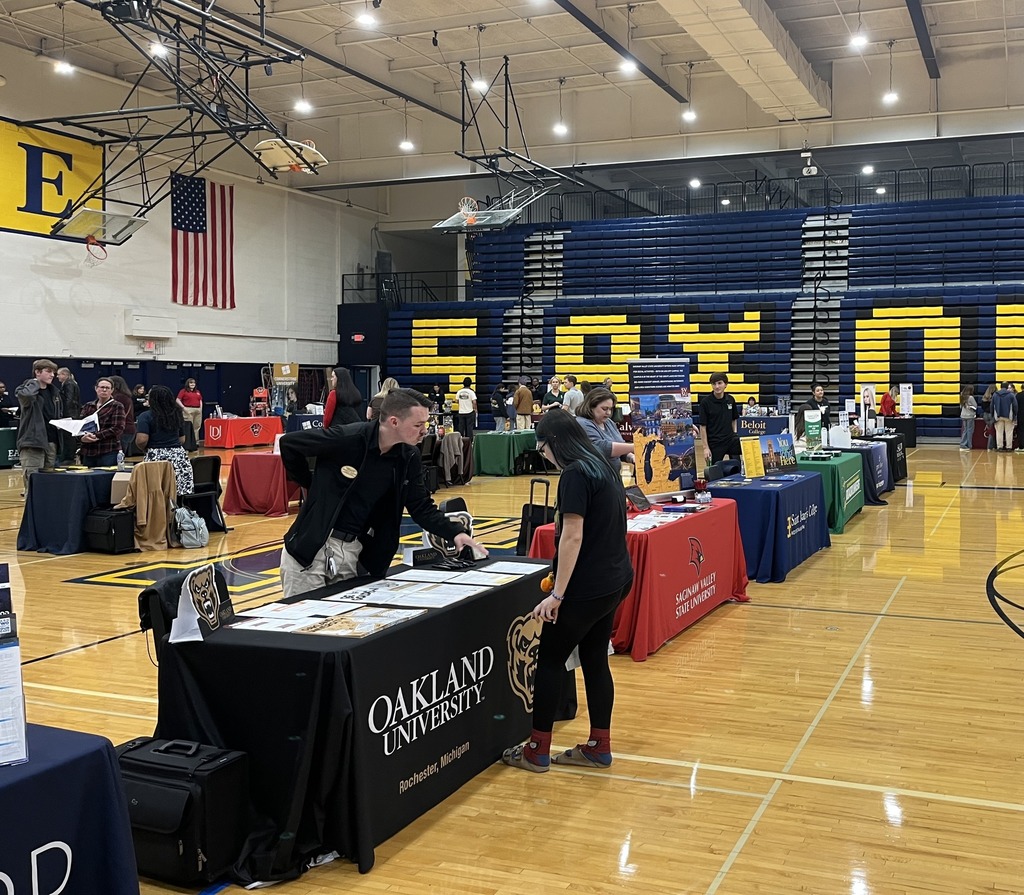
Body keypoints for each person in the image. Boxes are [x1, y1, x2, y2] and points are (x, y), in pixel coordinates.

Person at [501, 410, 633, 772]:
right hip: (616, 578)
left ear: (555, 443)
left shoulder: (575, 474)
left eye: (542, 448)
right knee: (593, 659)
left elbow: (572, 535)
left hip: (588, 586)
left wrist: (557, 594)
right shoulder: (601, 463)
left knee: (549, 661)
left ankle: (537, 749)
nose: (543, 455)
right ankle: (598, 745)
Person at [278, 388, 489, 597]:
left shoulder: (408, 457)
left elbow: (421, 507)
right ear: (394, 422)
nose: (424, 430)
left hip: (352, 551)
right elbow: (289, 444)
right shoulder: (348, 438)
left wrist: (455, 532)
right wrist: (310, 484)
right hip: (310, 549)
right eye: (418, 424)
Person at [135, 385, 193, 495]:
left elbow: (142, 440)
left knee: (156, 493)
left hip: (156, 457)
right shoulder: (176, 414)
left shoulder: (145, 416)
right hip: (178, 456)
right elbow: (182, 439)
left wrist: (145, 449)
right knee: (179, 492)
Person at [16, 359, 62, 492]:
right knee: (33, 484)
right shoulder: (26, 390)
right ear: (37, 372)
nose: (52, 375)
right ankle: (31, 512)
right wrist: (34, 382)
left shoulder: (55, 393)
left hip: (51, 442)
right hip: (33, 443)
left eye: (53, 372)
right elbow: (27, 396)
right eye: (48, 371)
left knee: (48, 486)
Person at [575, 388, 634, 475]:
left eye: (610, 409)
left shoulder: (609, 422)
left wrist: (631, 457)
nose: (609, 413)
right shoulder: (582, 423)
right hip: (594, 479)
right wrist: (636, 447)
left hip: (613, 477)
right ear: (591, 406)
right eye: (604, 409)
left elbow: (619, 449)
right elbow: (602, 448)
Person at [78, 377, 126, 467]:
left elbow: (118, 428)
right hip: (88, 451)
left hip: (108, 451)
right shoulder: (88, 406)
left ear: (112, 390)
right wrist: (81, 438)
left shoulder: (117, 406)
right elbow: (80, 425)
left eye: (107, 388)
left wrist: (97, 436)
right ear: (96, 389)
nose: (104, 390)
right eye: (101, 387)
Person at [697, 372, 741, 465]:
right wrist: (705, 448)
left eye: (719, 383)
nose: (717, 386)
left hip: (730, 440)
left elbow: (734, 419)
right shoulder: (705, 403)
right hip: (715, 443)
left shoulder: (731, 400)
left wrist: (735, 434)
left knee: (738, 467)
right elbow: (703, 427)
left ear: (726, 384)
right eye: (714, 384)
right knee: (714, 473)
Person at [56, 367, 81, 463]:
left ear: (64, 375)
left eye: (59, 374)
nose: (57, 376)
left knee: (68, 437)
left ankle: (68, 457)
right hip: (73, 413)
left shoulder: (69, 384)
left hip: (70, 414)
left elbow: (68, 400)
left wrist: (63, 413)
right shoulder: (72, 383)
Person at [109, 375, 136, 455]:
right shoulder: (126, 396)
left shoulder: (119, 397)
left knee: (117, 455)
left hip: (123, 430)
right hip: (128, 429)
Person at [991, 382, 1017, 451]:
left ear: (1000, 386)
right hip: (1009, 416)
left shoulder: (995, 394)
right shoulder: (1011, 395)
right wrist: (1015, 415)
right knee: (1009, 432)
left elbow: (991, 406)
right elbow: (1015, 406)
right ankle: (1009, 447)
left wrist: (992, 415)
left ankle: (1000, 447)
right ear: (1007, 387)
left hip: (998, 416)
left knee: (999, 432)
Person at [959, 384, 977, 451]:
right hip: (970, 416)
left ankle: (963, 444)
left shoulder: (962, 396)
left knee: (965, 430)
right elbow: (975, 407)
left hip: (963, 415)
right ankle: (968, 445)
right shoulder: (970, 398)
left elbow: (960, 407)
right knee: (970, 431)